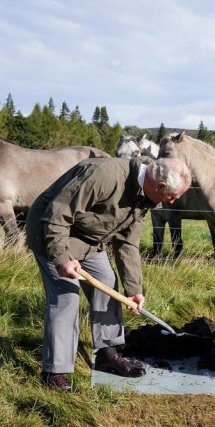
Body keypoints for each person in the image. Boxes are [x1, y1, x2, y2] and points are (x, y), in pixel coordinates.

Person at [25, 156, 192, 392]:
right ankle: (55, 371)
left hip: (89, 241)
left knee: (107, 283)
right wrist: (62, 259)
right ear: (160, 186)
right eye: (172, 196)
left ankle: (107, 352)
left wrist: (133, 290)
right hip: (51, 233)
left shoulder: (145, 198)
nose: (172, 202)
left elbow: (128, 243)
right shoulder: (104, 176)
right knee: (66, 298)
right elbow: (57, 214)